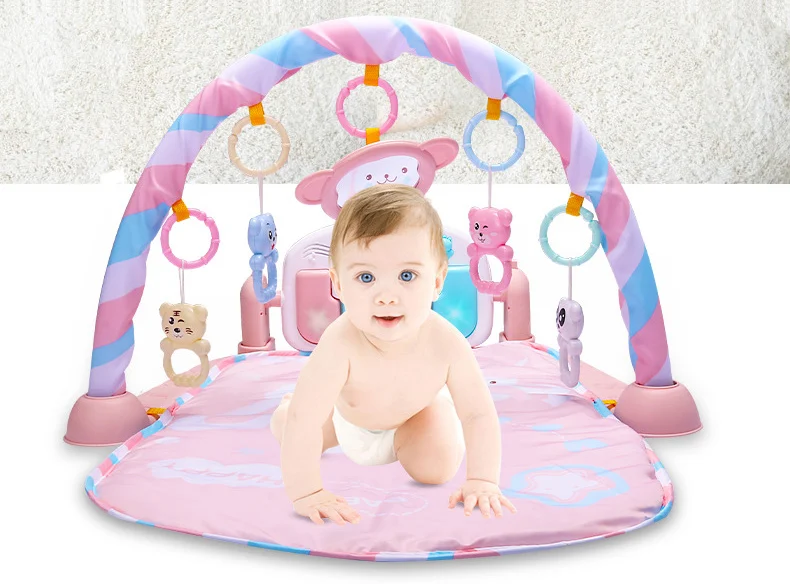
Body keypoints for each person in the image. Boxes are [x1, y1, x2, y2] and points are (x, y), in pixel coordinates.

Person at [271, 183, 516, 525]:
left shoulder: (446, 342)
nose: (386, 296)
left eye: (407, 275)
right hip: (346, 424)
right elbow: (306, 420)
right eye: (366, 277)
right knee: (292, 423)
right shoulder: (340, 343)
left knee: (438, 468)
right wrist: (307, 492)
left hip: (414, 420)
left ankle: (417, 437)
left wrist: (482, 479)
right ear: (337, 284)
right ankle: (290, 406)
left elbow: (477, 414)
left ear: (437, 282)